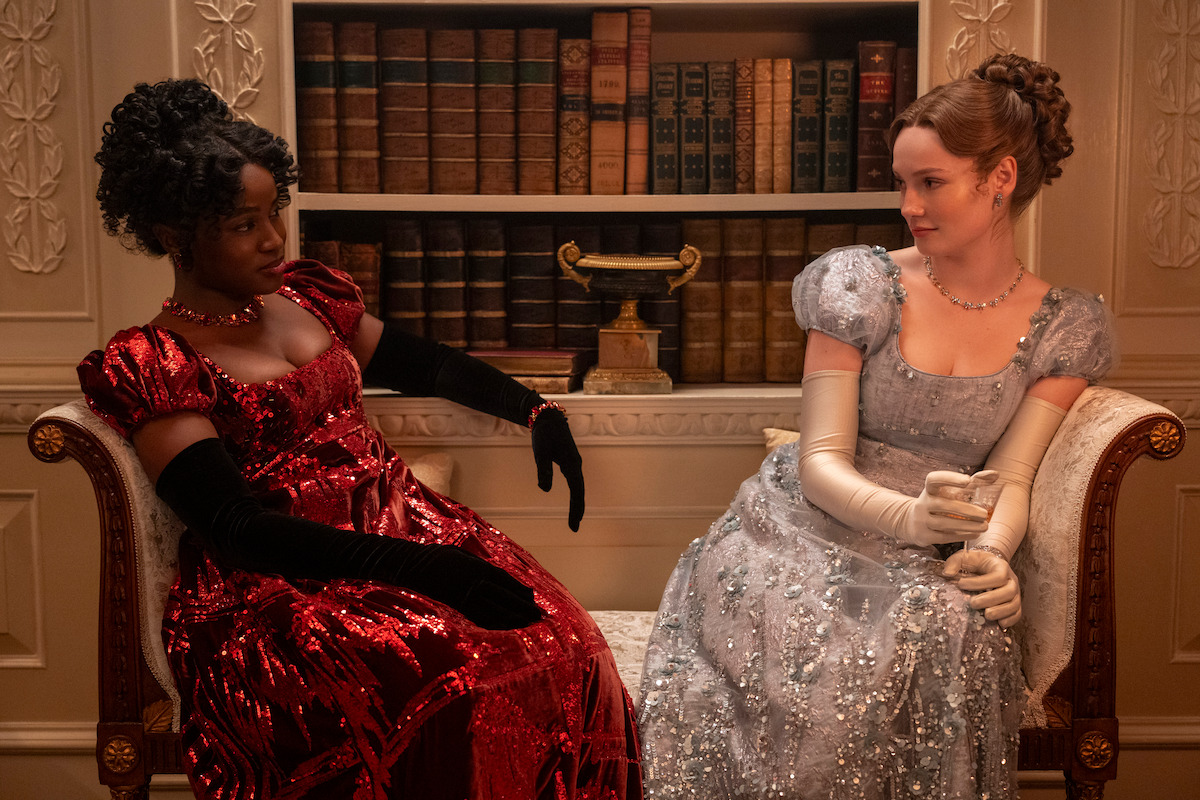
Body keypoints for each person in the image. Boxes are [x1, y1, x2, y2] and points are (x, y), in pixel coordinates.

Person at [80, 78, 642, 799]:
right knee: (455, 677)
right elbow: (237, 528)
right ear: (174, 238)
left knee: (564, 645)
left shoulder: (307, 296)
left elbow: (426, 362)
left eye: (273, 212)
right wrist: (431, 575)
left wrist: (535, 410)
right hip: (288, 587)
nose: (275, 238)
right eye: (244, 224)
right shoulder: (158, 363)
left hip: (409, 525)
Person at [636, 53, 1114, 799]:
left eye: (930, 182)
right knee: (811, 651)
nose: (908, 204)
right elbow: (820, 458)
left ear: (1002, 180)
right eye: (902, 183)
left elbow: (1015, 475)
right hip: (805, 526)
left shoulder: (1064, 326)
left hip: (938, 543)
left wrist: (991, 552)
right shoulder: (859, 284)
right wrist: (909, 516)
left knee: (956, 632)